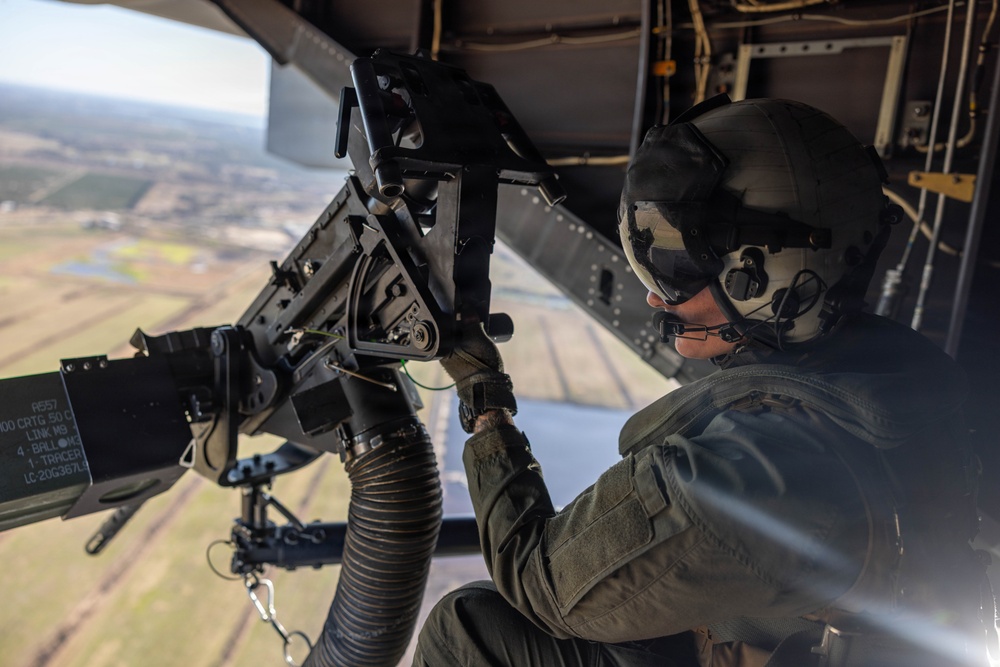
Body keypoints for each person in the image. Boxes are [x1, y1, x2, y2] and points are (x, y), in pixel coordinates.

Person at [412, 96, 994, 667]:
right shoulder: (889, 371)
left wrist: (483, 397)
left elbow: (543, 584)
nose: (653, 294)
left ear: (768, 278)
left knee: (467, 630)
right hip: (797, 635)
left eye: (673, 265)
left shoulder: (752, 471)